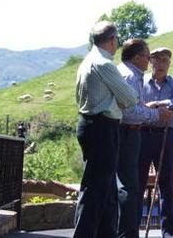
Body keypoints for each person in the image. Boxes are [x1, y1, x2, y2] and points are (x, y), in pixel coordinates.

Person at [74, 21, 138, 238]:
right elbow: (130, 98)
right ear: (112, 40)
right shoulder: (104, 64)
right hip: (103, 128)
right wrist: (117, 101)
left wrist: (114, 100)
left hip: (90, 125)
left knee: (108, 191)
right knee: (95, 190)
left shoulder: (86, 62)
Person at [117, 39, 173, 238]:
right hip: (130, 132)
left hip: (132, 132)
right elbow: (131, 112)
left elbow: (135, 105)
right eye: (149, 56)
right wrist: (156, 114)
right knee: (130, 186)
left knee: (131, 184)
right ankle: (127, 233)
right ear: (137, 57)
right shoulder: (132, 77)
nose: (151, 61)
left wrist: (146, 107)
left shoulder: (130, 74)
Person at [137, 47, 173, 238]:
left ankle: (169, 232)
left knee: (166, 184)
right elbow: (137, 105)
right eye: (158, 59)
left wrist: (153, 106)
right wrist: (160, 107)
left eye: (166, 60)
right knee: (137, 183)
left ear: (170, 63)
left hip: (167, 134)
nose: (162, 63)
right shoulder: (141, 82)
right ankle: (132, 228)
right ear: (151, 61)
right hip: (143, 135)